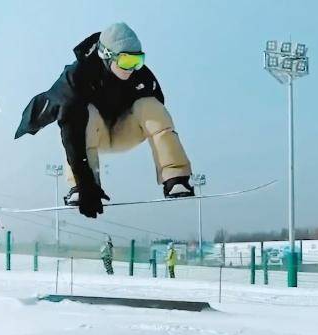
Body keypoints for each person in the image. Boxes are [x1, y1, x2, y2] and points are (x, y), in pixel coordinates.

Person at [14, 22, 195, 219]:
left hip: (124, 131)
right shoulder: (77, 76)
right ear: (107, 55)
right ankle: (78, 186)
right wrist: (85, 184)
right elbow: (71, 133)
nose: (133, 69)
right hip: (91, 133)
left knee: (150, 105)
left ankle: (175, 177)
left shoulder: (142, 76)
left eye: (138, 61)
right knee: (84, 112)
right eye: (126, 62)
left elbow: (159, 122)